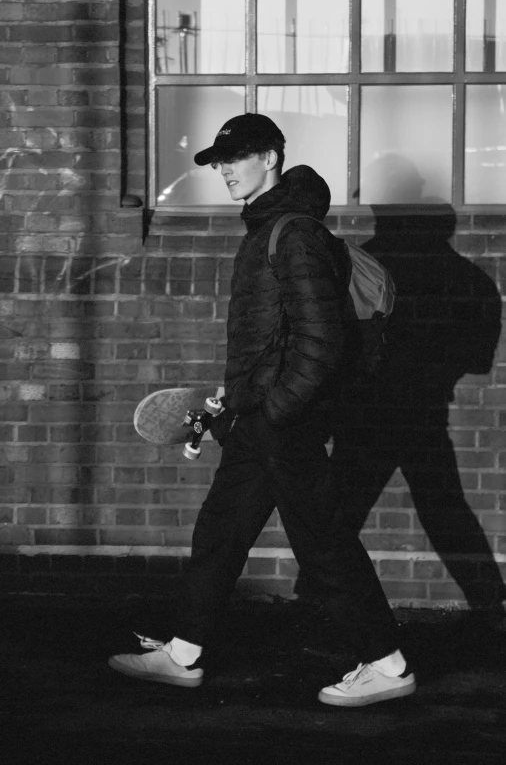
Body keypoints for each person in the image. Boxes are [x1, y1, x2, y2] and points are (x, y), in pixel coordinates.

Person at [108, 113, 415, 706]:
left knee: (322, 545)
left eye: (236, 157)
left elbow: (319, 344)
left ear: (271, 157)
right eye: (218, 161)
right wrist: (232, 408)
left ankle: (389, 664)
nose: (224, 169)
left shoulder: (293, 233)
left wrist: (273, 410)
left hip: (284, 426)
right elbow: (267, 343)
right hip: (258, 423)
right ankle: (184, 653)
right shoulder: (266, 229)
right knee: (221, 533)